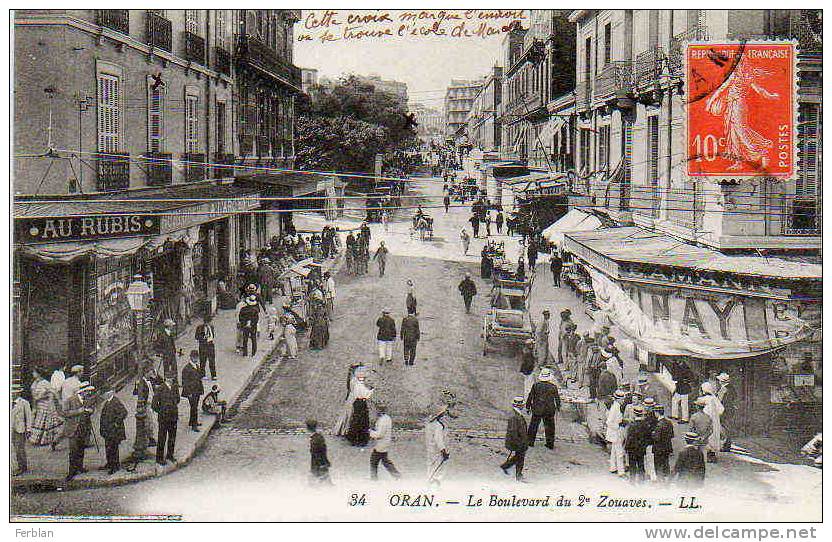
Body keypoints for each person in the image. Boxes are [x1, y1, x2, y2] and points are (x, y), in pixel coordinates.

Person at [59, 382, 95, 482]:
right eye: (88, 392)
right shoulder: (70, 400)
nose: (89, 394)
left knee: (81, 449)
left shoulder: (87, 400)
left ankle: (80, 467)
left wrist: (91, 411)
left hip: (84, 428)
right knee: (73, 451)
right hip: (73, 429)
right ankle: (71, 472)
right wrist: (78, 411)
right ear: (82, 392)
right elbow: (64, 413)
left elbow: (92, 409)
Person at [526, 367, 561, 450]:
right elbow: (557, 399)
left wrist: (528, 407)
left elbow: (530, 396)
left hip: (537, 409)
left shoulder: (536, 385)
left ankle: (530, 442)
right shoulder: (553, 387)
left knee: (533, 426)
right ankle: (550, 443)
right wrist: (558, 407)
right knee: (550, 427)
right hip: (549, 410)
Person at [29, 367, 63, 448]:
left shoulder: (45, 383)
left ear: (39, 373)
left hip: (46, 405)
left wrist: (58, 400)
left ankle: (47, 440)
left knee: (46, 422)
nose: (33, 374)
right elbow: (34, 395)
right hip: (39, 405)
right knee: (38, 421)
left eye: (34, 372)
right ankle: (36, 439)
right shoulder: (34, 383)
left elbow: (53, 392)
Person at [500, 396, 529, 481]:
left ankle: (505, 466)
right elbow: (513, 432)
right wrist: (519, 443)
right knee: (520, 457)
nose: (523, 406)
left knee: (518, 456)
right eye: (522, 405)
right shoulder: (514, 416)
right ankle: (518, 475)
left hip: (518, 440)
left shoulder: (517, 413)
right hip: (516, 441)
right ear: (519, 406)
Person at [99, 389, 128, 475]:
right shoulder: (107, 402)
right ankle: (109, 463)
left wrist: (116, 422)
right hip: (108, 430)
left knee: (113, 448)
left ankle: (115, 466)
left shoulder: (115, 401)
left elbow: (124, 412)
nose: (102, 396)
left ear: (109, 393)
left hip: (114, 430)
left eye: (104, 393)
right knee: (108, 447)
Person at [369, 402, 401, 480]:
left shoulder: (383, 420)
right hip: (385, 443)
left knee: (374, 460)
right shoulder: (387, 418)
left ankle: (374, 478)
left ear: (379, 410)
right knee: (385, 461)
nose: (375, 411)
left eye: (376, 410)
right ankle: (396, 475)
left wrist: (370, 432)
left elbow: (380, 434)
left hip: (381, 444)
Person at [152, 376, 179, 466]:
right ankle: (159, 458)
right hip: (163, 418)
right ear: (165, 379)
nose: (170, 380)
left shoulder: (175, 387)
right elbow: (154, 405)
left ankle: (170, 455)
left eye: (171, 379)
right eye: (168, 379)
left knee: (172, 437)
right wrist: (162, 411)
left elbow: (177, 399)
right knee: (162, 438)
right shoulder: (160, 389)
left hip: (173, 416)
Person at [624, 405, 653, 482]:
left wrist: (626, 447)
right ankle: (641, 480)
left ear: (634, 414)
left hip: (632, 449)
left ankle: (632, 480)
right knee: (641, 464)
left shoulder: (632, 425)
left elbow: (629, 437)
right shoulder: (645, 425)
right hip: (641, 448)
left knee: (632, 465)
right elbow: (648, 437)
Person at [697, 384, 724, 463]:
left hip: (704, 420)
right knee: (713, 436)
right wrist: (715, 415)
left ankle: (701, 455)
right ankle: (711, 454)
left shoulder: (701, 399)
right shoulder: (715, 399)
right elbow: (721, 409)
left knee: (703, 436)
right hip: (714, 421)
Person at [346, 368, 373, 447]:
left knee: (356, 419)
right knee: (362, 421)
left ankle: (353, 438)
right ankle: (361, 439)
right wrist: (372, 390)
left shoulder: (356, 384)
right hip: (361, 403)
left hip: (356, 403)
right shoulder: (361, 386)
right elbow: (366, 395)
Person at [425, 402, 450, 485]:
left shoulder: (429, 424)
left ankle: (429, 483)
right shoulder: (438, 426)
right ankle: (435, 486)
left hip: (430, 449)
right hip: (437, 451)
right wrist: (443, 451)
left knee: (431, 467)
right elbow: (438, 439)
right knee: (438, 470)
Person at [11, 386, 32, 475]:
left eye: (14, 392)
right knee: (15, 448)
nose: (12, 394)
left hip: (20, 429)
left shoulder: (24, 403)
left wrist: (28, 429)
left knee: (20, 448)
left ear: (18, 393)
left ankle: (22, 467)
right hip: (11, 428)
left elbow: (28, 417)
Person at [181, 350, 204, 432]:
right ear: (190, 357)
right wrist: (188, 393)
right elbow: (185, 382)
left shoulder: (196, 366)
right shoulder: (186, 369)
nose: (196, 359)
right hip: (191, 391)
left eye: (197, 357)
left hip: (197, 390)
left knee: (194, 406)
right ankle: (194, 425)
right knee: (194, 407)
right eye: (194, 357)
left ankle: (192, 421)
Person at [156, 319, 180, 397]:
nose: (173, 327)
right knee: (166, 369)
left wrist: (174, 350)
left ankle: (175, 384)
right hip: (166, 355)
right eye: (172, 325)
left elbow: (172, 344)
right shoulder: (161, 335)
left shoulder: (170, 333)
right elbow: (157, 346)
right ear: (168, 326)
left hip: (172, 354)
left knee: (174, 368)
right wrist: (161, 353)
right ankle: (167, 384)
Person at [606, 389, 627, 477]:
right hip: (615, 432)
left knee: (614, 451)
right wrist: (617, 427)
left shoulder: (616, 406)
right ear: (618, 399)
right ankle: (621, 472)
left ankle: (613, 467)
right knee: (619, 452)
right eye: (622, 399)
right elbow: (609, 422)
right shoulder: (615, 407)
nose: (623, 401)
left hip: (615, 432)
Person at [652, 405, 674, 481]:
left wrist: (652, 434)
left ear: (657, 413)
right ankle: (666, 479)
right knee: (666, 464)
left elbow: (656, 438)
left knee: (658, 465)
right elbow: (672, 435)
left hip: (659, 448)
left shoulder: (658, 425)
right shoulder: (669, 422)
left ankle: (660, 481)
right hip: (667, 447)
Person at [307, 418, 332, 484]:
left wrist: (321, 464)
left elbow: (316, 453)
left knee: (316, 483)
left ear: (308, 428)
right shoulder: (319, 437)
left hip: (318, 465)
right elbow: (324, 450)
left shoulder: (314, 439)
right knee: (326, 482)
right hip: (321, 463)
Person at [716, 372, 735, 451]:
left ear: (722, 381)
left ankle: (725, 445)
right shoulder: (731, 388)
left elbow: (719, 401)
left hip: (724, 411)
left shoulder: (723, 389)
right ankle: (727, 445)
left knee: (723, 428)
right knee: (728, 428)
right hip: (730, 410)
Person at [194, 314, 217, 380]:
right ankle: (202, 375)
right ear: (206, 322)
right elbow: (196, 337)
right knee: (203, 361)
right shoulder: (200, 327)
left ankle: (213, 375)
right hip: (203, 346)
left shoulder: (211, 327)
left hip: (210, 345)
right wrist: (203, 337)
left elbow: (213, 335)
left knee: (212, 361)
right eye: (210, 322)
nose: (211, 323)